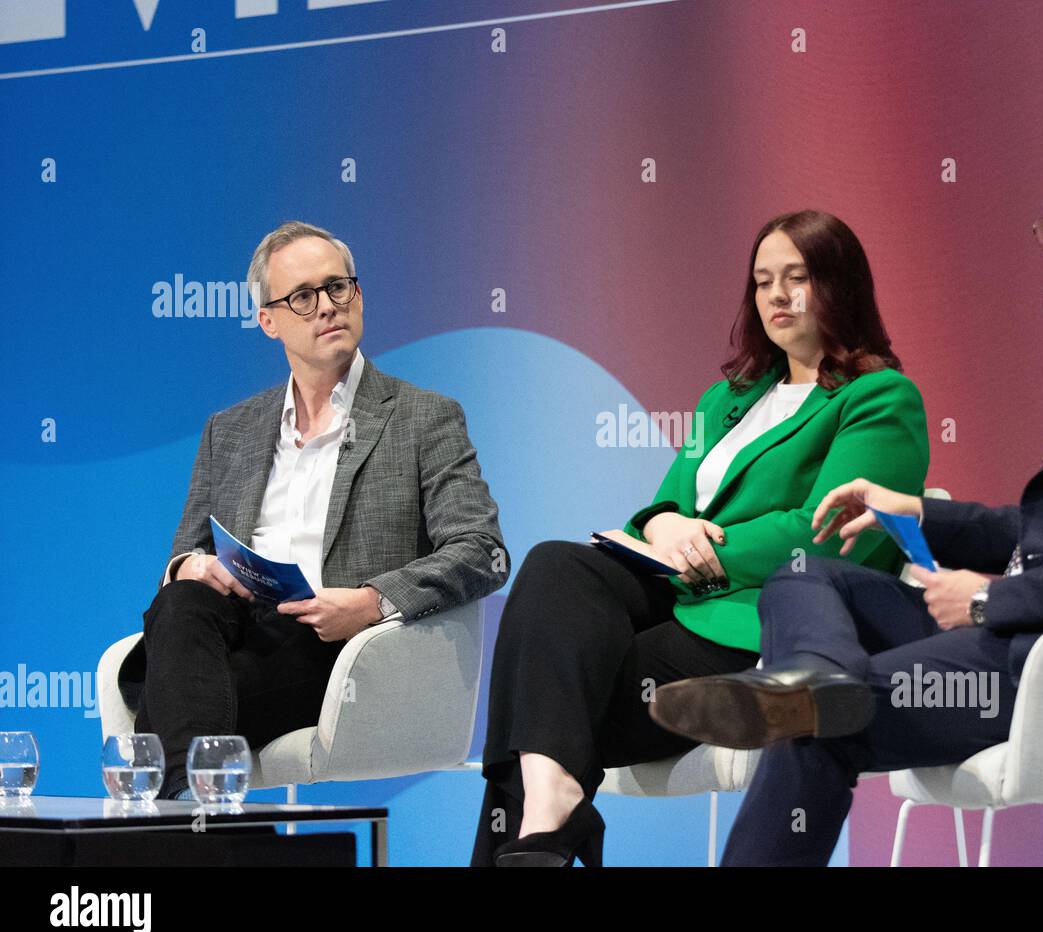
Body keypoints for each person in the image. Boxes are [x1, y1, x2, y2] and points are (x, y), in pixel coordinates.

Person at [651, 138, 1043, 866]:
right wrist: (917, 514)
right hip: (1023, 633)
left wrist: (991, 600)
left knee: (816, 726)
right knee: (806, 573)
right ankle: (818, 679)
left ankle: (817, 693)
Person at [470, 210, 929, 866]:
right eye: (763, 279)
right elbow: (659, 509)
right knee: (554, 566)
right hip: (675, 597)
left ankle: (550, 815)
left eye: (796, 277)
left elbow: (827, 533)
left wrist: (702, 556)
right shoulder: (727, 398)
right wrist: (664, 524)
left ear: (840, 286)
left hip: (759, 629)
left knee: (545, 696)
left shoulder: (881, 399)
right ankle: (554, 804)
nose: (775, 294)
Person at [118, 220, 509, 801]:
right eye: (302, 296)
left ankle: (180, 821)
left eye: (338, 288)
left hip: (335, 649)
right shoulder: (230, 430)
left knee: (163, 691)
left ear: (359, 296)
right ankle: (192, 817)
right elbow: (186, 551)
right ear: (268, 320)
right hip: (230, 630)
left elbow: (483, 552)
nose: (326, 306)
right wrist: (188, 567)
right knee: (181, 599)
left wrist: (371, 602)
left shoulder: (424, 418)